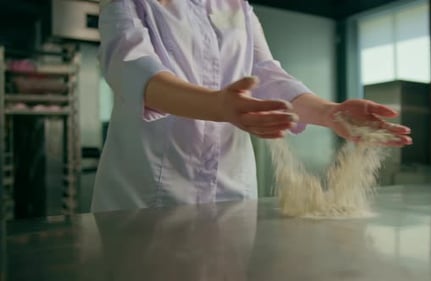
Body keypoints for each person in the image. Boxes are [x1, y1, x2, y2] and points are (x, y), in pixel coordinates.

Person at [92, 0, 412, 212]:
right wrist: (219, 106)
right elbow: (131, 68)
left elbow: (265, 74)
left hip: (231, 197)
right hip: (150, 197)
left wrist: (331, 113)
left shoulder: (236, 4)